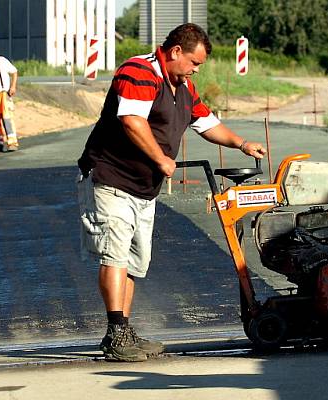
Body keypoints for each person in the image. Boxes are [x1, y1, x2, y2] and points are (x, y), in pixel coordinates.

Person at [77, 23, 266, 362]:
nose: (195, 70)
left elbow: (207, 123)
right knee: (116, 255)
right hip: (110, 176)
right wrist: (160, 158)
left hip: (143, 187)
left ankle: (122, 331)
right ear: (176, 51)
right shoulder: (139, 71)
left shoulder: (183, 86)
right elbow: (132, 121)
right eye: (194, 63)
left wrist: (242, 143)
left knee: (135, 261)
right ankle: (115, 333)